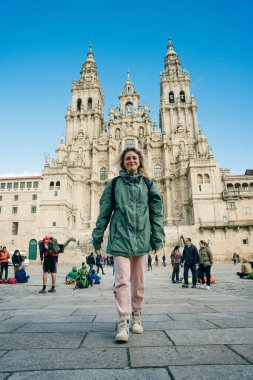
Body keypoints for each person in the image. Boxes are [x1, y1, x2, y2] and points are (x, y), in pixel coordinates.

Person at [92, 147, 165, 343]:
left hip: (142, 238)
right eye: (127, 159)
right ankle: (123, 321)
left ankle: (137, 316)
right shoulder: (114, 184)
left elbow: (157, 213)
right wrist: (97, 237)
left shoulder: (149, 185)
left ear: (140, 161)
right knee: (121, 281)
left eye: (134, 158)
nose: (131, 161)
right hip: (120, 238)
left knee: (139, 283)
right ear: (123, 163)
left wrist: (158, 238)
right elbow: (104, 212)